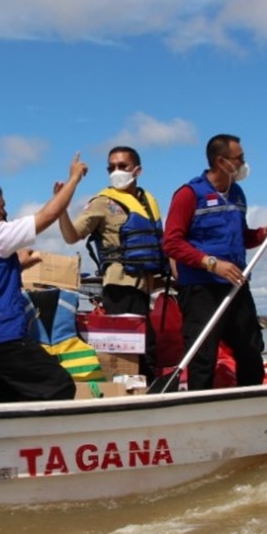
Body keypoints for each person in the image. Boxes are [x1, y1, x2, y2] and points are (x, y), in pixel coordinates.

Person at [0, 153, 88, 403]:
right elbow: (46, 217)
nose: (6, 214)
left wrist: (17, 266)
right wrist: (74, 179)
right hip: (3, 338)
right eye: (3, 208)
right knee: (59, 386)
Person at [162, 133, 267, 390]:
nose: (243, 163)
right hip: (201, 289)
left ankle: (252, 403)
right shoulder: (189, 195)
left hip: (236, 285)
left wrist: (265, 232)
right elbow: (171, 243)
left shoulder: (238, 194)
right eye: (239, 158)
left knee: (251, 349)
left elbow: (242, 236)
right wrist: (211, 263)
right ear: (221, 161)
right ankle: (199, 410)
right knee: (203, 355)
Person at [56, 146, 168, 377]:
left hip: (145, 287)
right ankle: (140, 395)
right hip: (119, 287)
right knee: (140, 349)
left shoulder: (149, 201)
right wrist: (60, 208)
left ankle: (145, 393)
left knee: (149, 346)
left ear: (137, 170)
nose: (116, 171)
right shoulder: (102, 203)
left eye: (122, 166)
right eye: (111, 167)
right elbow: (71, 236)